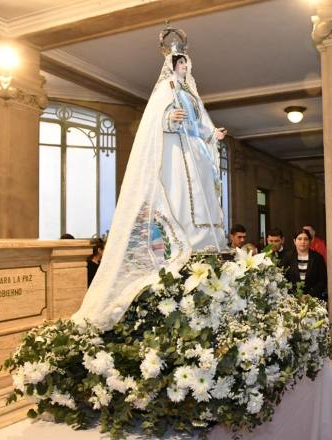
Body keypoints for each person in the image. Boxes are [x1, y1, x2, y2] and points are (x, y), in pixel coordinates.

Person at [72, 26, 228, 330]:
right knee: (182, 194)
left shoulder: (192, 95)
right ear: (172, 66)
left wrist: (214, 133)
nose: (183, 67)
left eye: (185, 64)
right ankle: (185, 236)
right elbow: (156, 122)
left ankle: (206, 237)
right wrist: (170, 120)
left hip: (194, 150)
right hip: (176, 153)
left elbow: (202, 124)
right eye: (178, 64)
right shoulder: (166, 90)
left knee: (202, 194)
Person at [282, 229, 327, 301]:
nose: (303, 242)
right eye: (299, 239)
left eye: (306, 239)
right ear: (294, 241)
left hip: (313, 298)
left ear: (310, 241)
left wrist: (310, 295)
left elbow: (323, 281)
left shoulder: (317, 258)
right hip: (292, 299)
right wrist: (295, 295)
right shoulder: (287, 257)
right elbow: (283, 279)